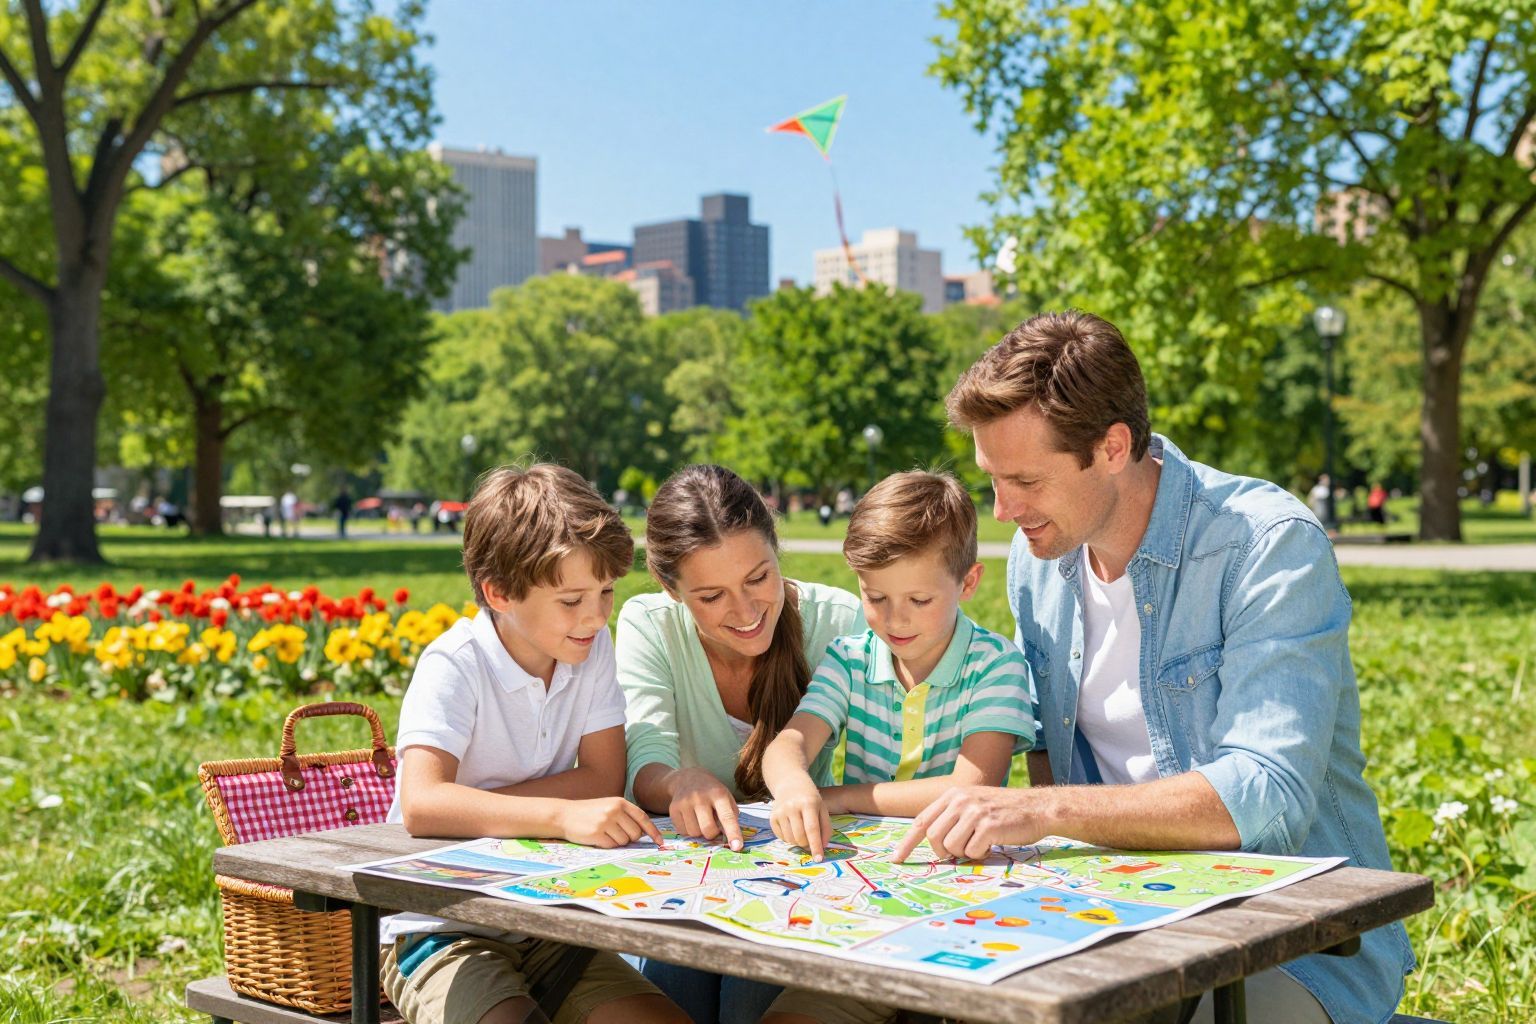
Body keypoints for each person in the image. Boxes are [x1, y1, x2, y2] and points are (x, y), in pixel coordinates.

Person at [892, 311, 1414, 1024]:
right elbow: (1050, 738)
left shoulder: (1266, 545)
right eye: (992, 479)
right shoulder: (1037, 562)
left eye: (1024, 481)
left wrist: (1041, 812)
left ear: (1112, 447)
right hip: (1110, 914)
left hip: (1294, 943)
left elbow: (1267, 793)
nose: (1003, 509)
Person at [383, 464, 686, 1024]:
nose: (596, 616)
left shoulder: (589, 647)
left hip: (546, 920)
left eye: (606, 591)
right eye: (571, 600)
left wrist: (479, 805)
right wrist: (559, 816)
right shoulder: (456, 664)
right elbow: (424, 804)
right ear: (499, 593)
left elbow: (601, 778)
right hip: (439, 928)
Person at [617, 464, 863, 1024]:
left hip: (797, 877)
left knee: (748, 1002)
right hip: (682, 882)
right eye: (711, 595)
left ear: (778, 554)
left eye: (759, 578)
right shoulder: (650, 624)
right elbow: (644, 753)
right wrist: (677, 781)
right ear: (671, 590)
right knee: (672, 982)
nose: (747, 611)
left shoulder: (837, 620)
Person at [763, 470, 1035, 861]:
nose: (895, 621)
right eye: (875, 597)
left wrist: (840, 797)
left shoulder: (995, 666)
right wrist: (792, 785)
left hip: (961, 864)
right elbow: (789, 743)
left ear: (968, 582)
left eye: (919, 600)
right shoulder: (849, 659)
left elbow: (972, 788)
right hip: (865, 865)